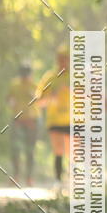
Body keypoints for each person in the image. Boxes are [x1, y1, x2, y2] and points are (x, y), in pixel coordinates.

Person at [36, 46, 71, 193]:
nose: (63, 62)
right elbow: (39, 101)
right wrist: (52, 96)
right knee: (58, 149)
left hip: (75, 120)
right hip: (55, 120)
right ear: (57, 59)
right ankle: (58, 181)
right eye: (61, 58)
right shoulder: (50, 77)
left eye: (66, 58)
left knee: (73, 151)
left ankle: (73, 181)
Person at [7, 63, 38, 186]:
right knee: (15, 148)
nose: (25, 77)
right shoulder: (14, 85)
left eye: (26, 75)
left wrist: (33, 96)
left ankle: (29, 177)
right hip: (17, 120)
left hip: (32, 120)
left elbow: (39, 101)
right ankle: (15, 176)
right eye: (23, 75)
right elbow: (9, 99)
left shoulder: (35, 85)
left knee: (30, 149)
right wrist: (11, 102)